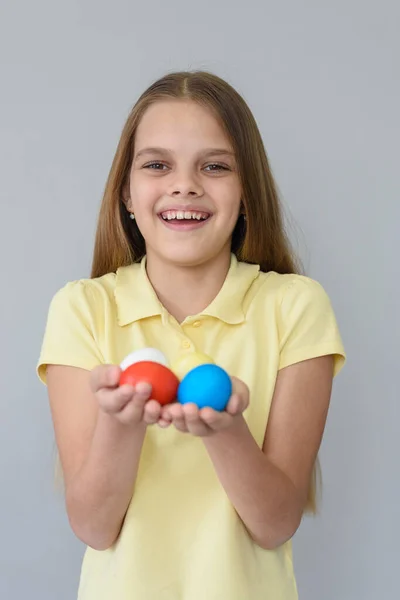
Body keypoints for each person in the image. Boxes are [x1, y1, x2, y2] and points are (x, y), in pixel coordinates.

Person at [37, 70, 346, 600]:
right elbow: (93, 526)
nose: (185, 184)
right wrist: (120, 423)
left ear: (248, 194)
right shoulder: (82, 309)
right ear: (128, 195)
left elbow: (275, 524)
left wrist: (226, 431)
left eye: (216, 166)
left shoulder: (296, 306)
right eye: (157, 164)